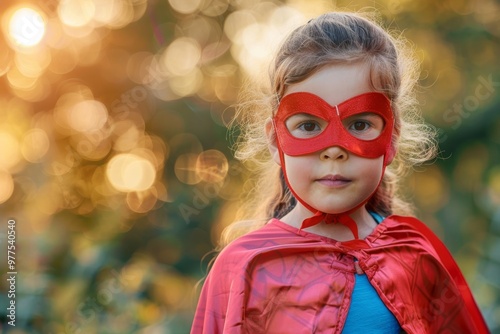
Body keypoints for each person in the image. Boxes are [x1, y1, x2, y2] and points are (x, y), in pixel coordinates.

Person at [191, 11, 489, 333]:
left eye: (360, 124)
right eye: (308, 125)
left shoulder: (414, 258)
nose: (334, 149)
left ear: (392, 138)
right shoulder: (246, 270)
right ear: (276, 140)